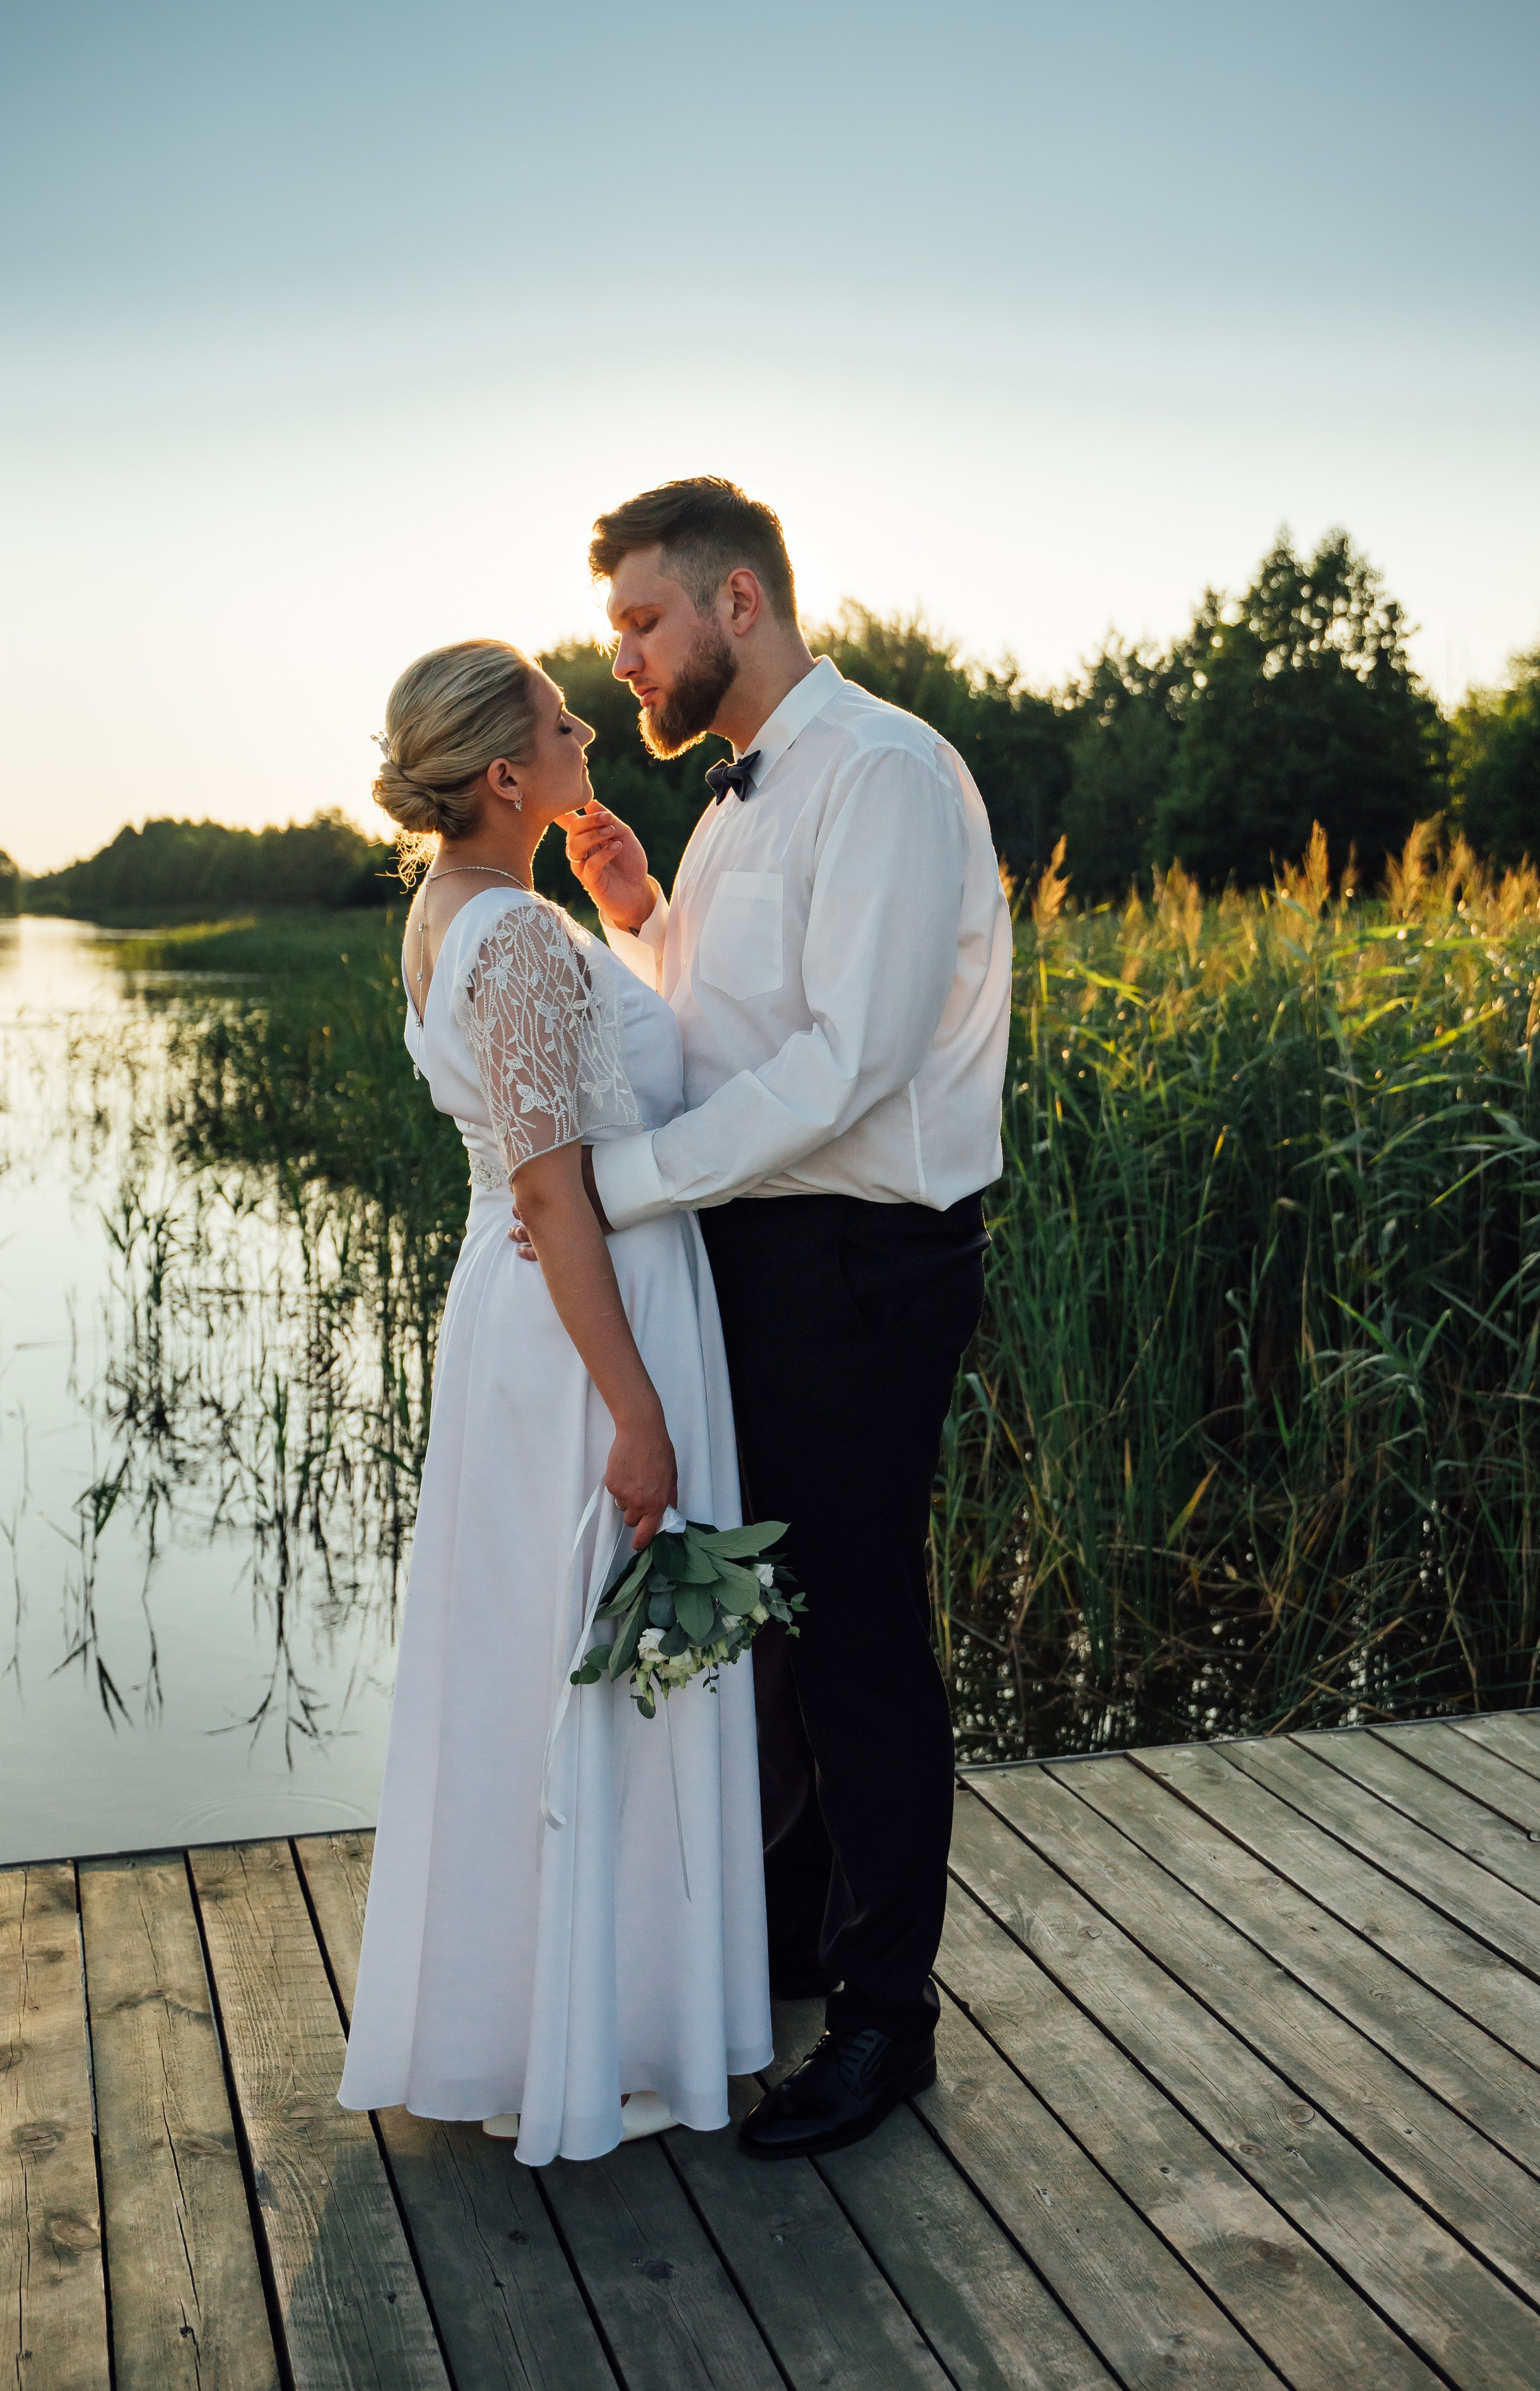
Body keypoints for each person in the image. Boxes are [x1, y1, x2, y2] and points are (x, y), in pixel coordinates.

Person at [545, 476, 1013, 2159]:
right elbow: (731, 1026)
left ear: (735, 603)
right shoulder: (738, 799)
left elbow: (848, 1064)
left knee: (861, 1629)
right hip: (763, 1249)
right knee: (783, 1620)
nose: (622, 661)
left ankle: (890, 2019)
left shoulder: (880, 772)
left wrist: (624, 1185)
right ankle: (808, 1940)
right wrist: (643, 919)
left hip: (863, 1262)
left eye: (640, 622)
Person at [336, 637, 771, 2167]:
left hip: (534, 1321)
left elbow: (569, 1112)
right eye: (559, 718)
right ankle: (586, 2036)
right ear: (507, 773)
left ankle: (558, 2009)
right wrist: (636, 1413)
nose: (589, 726)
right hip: (583, 1331)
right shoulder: (511, 934)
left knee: (544, 1655)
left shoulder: (456, 911)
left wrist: (631, 921)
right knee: (593, 1663)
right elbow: (549, 1185)